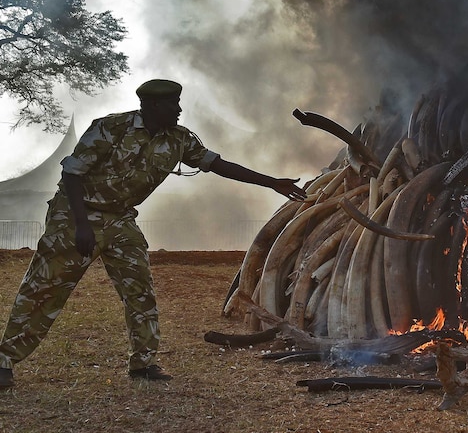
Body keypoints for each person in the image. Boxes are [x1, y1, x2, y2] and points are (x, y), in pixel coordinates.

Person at [0, 79, 306, 388]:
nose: (179, 110)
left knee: (140, 290)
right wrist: (80, 225)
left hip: (120, 219)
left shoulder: (179, 139)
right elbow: (71, 174)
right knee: (44, 288)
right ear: (153, 106)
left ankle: (143, 363)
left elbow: (219, 165)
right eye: (173, 105)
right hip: (75, 214)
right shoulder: (109, 128)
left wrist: (271, 182)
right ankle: (4, 360)